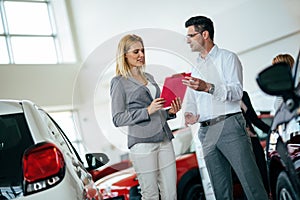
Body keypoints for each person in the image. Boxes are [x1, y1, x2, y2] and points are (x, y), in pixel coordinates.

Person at [182, 16, 269, 199]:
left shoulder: (228, 58)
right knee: (220, 191)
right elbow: (195, 98)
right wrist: (190, 113)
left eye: (191, 35)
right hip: (205, 131)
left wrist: (208, 87)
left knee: (250, 183)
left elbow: (237, 92)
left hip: (229, 126)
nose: (187, 40)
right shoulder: (195, 66)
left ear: (205, 34)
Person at [110, 34, 181, 200]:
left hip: (164, 138)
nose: (141, 55)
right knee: (151, 194)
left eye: (142, 50)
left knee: (171, 193)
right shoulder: (119, 82)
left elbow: (157, 110)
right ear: (124, 55)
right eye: (136, 52)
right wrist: (147, 111)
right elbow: (117, 118)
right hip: (142, 144)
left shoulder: (149, 78)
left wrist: (169, 112)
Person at [241, 91, 270, 196]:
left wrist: (272, 130)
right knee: (249, 178)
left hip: (253, 140)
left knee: (262, 172)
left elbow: (254, 119)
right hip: (239, 144)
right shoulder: (222, 96)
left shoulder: (243, 95)